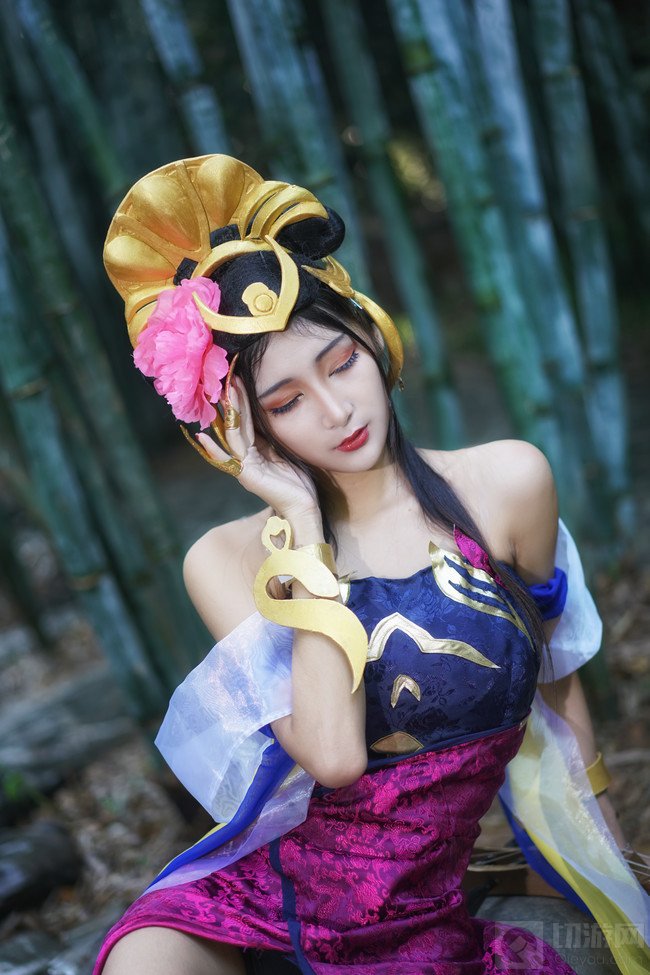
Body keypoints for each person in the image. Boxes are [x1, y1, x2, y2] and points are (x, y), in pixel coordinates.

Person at [94, 155, 649, 975]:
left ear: (371, 332)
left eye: (341, 362)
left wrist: (603, 863)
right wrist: (300, 525)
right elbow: (333, 756)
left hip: (423, 907)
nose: (336, 409)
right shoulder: (225, 558)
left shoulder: (506, 484)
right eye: (286, 402)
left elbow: (559, 691)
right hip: (264, 901)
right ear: (242, 429)